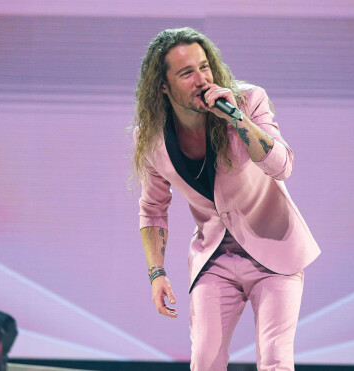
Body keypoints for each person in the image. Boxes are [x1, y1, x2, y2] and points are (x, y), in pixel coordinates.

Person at [131, 27, 320, 371]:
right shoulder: (153, 136)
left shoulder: (247, 101)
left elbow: (282, 167)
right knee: (204, 362)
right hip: (215, 256)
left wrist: (236, 118)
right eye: (187, 73)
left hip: (275, 248)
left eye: (205, 67)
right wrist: (156, 273)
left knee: (275, 360)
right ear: (163, 84)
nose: (202, 79)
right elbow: (153, 209)